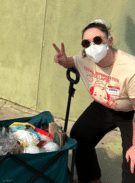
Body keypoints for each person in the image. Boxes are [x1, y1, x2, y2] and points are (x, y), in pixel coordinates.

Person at [53, 19, 135, 183]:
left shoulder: (130, 68)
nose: (92, 46)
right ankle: (91, 180)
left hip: (129, 112)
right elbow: (72, 62)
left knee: (132, 159)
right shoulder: (85, 57)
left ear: (109, 41)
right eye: (86, 43)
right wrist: (64, 61)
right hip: (103, 106)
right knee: (79, 136)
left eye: (97, 40)